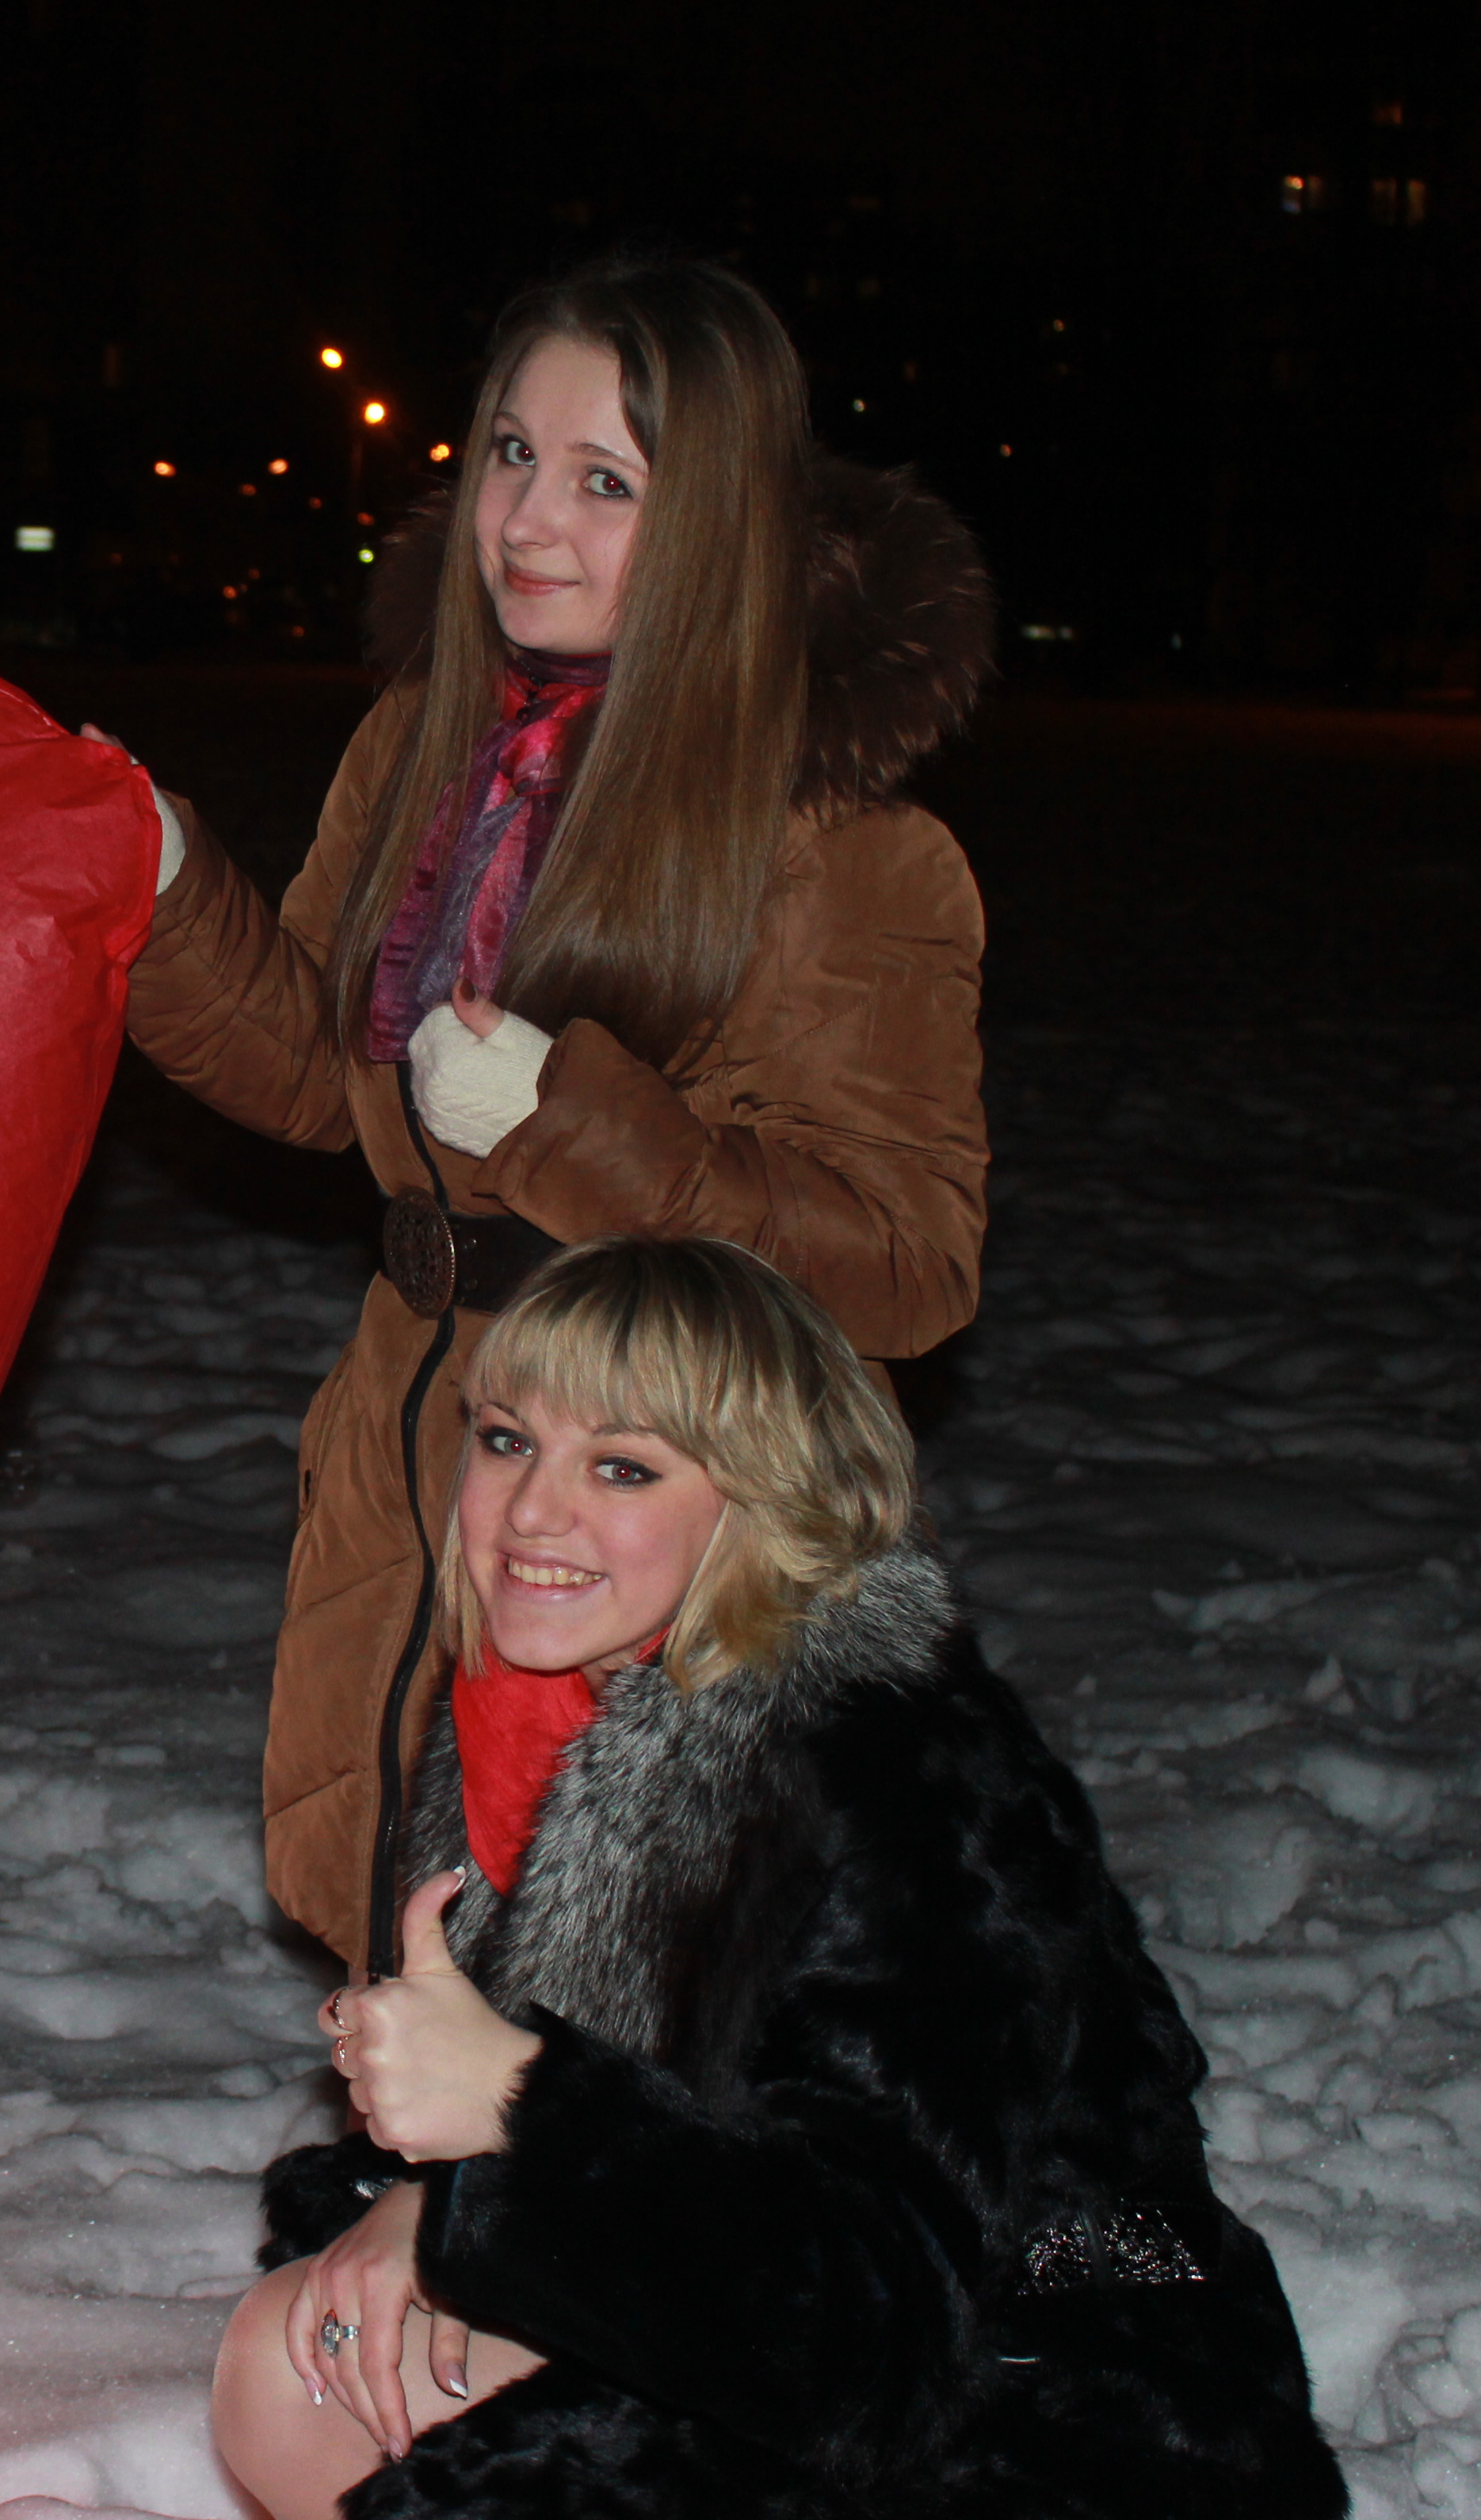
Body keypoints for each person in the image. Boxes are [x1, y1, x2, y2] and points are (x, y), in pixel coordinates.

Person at [112, 253, 994, 1969]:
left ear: (719, 524)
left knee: (626, 1975)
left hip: (658, 1517)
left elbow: (906, 1262)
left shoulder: (841, 848)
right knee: (410, 1930)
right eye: (512, 453)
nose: (526, 520)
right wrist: (162, 891)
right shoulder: (422, 755)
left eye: (607, 481)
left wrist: (569, 1125)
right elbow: (322, 1075)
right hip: (416, 1445)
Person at [208, 1238, 1342, 2518]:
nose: (530, 1513)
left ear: (763, 1502)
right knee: (304, 2356)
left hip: (1052, 2392)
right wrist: (439, 2196)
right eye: (508, 1440)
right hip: (795, 2345)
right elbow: (667, 2159)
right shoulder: (536, 1715)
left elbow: (873, 2332)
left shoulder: (897, 1774)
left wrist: (520, 2114)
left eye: (622, 1466)